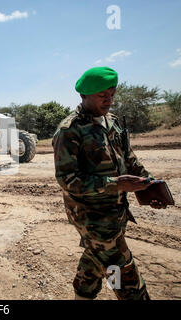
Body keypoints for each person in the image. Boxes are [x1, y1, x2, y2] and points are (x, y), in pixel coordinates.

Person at [52, 66, 166, 300]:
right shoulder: (69, 131)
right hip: (90, 216)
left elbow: (130, 159)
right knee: (121, 271)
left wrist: (150, 184)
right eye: (102, 95)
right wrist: (117, 183)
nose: (109, 100)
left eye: (112, 94)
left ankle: (82, 295)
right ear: (84, 96)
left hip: (116, 211)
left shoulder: (112, 122)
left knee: (95, 260)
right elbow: (67, 180)